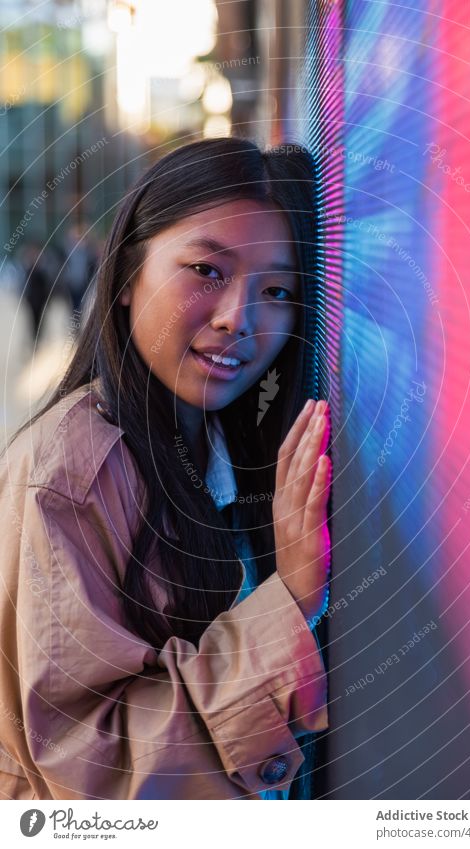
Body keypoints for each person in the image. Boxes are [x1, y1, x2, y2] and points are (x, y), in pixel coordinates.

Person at [0, 137, 332, 800]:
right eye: (207, 271)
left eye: (275, 290)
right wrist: (291, 599)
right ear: (125, 277)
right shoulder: (72, 471)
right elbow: (91, 771)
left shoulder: (214, 440)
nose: (241, 318)